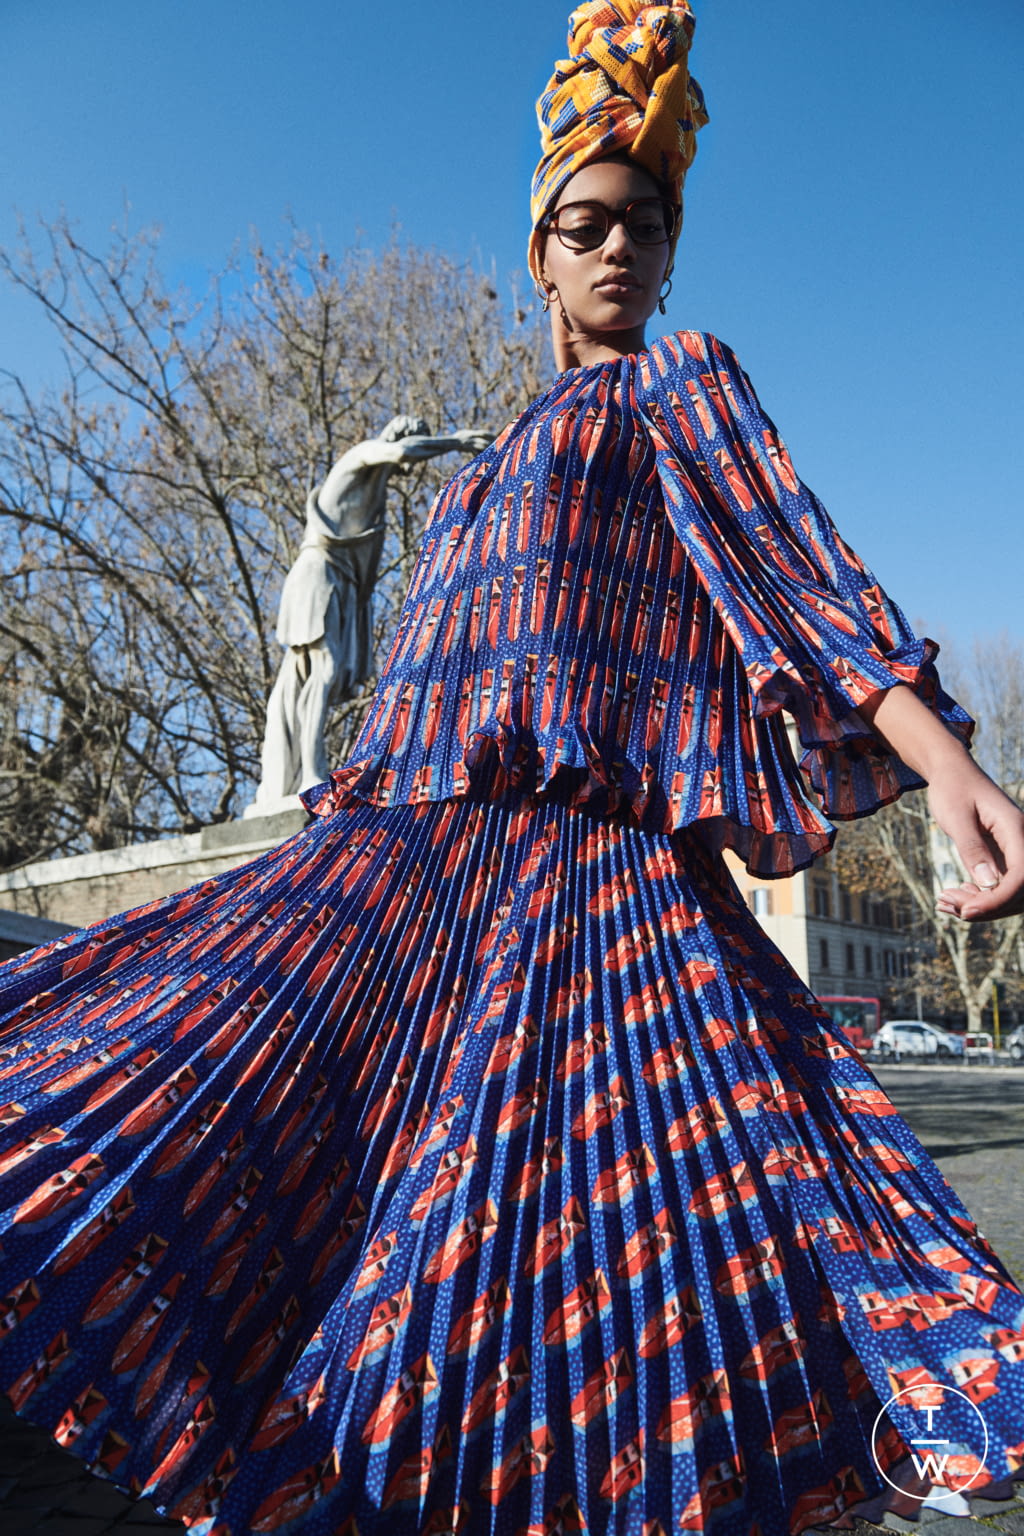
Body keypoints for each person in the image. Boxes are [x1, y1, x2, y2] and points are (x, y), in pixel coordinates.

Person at [0, 4, 1022, 1534]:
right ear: (538, 252)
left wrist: (948, 764)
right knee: (151, 1112)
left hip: (604, 911)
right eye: (585, 223)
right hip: (410, 889)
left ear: (671, 250)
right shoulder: (478, 477)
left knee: (572, 1312)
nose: (618, 247)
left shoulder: (676, 387)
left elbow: (803, 579)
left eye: (647, 223)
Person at [248, 416, 493, 810]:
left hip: (337, 581)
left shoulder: (377, 485)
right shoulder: (360, 456)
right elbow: (399, 451)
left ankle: (301, 769)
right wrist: (457, 442)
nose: (408, 463)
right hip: (318, 576)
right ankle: (310, 772)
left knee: (320, 676)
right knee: (322, 671)